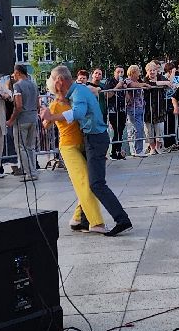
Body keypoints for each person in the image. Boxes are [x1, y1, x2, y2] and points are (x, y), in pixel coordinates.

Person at [44, 65, 133, 235]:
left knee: (95, 184)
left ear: (60, 81)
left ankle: (122, 220)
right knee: (88, 182)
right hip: (91, 139)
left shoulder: (78, 93)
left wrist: (52, 117)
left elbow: (78, 113)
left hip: (95, 139)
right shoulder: (78, 92)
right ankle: (82, 220)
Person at [43, 73, 104, 232]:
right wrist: (46, 116)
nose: (62, 92)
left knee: (88, 181)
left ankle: (77, 218)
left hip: (83, 143)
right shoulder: (54, 105)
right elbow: (46, 124)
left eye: (63, 90)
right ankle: (96, 222)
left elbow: (92, 91)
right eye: (59, 90)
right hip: (68, 147)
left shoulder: (74, 98)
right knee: (84, 181)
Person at [9, 64, 40, 180]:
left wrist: (11, 119)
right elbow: (38, 104)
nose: (13, 76)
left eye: (14, 73)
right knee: (31, 147)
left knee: (21, 147)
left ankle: (29, 172)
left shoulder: (17, 86)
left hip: (22, 119)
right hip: (33, 118)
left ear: (18, 72)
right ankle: (34, 171)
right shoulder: (34, 85)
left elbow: (19, 105)